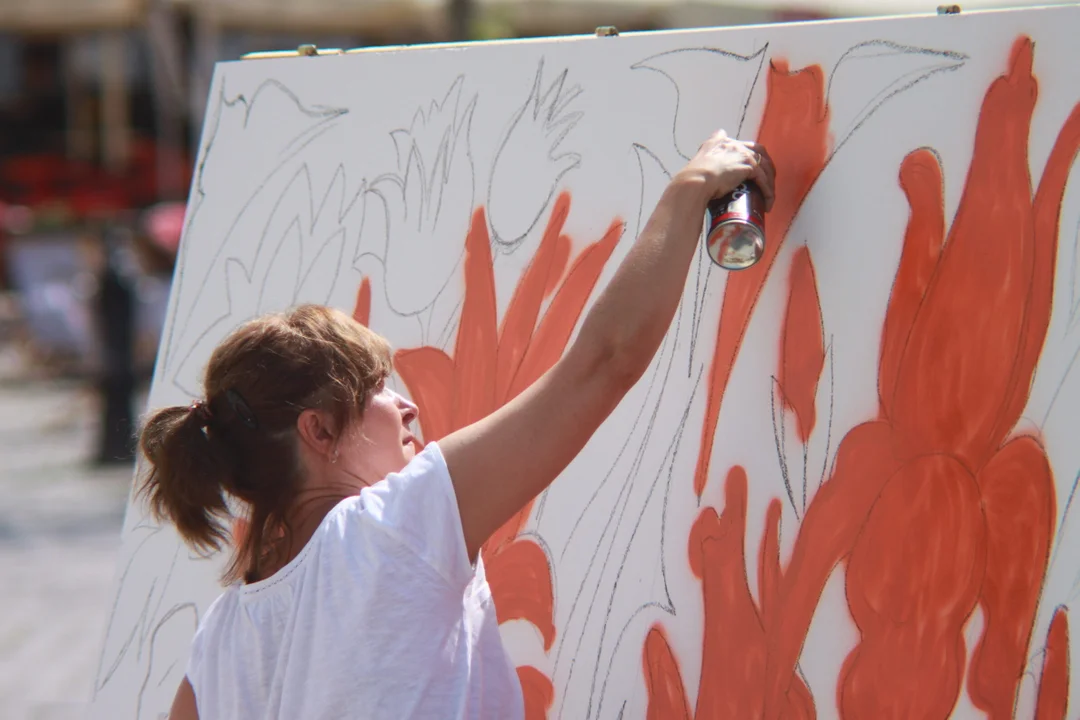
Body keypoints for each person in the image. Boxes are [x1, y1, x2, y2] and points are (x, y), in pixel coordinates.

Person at [144, 129, 775, 720]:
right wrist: (690, 189)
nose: (406, 405)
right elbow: (603, 364)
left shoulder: (221, 639)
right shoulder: (391, 528)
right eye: (376, 389)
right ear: (318, 432)